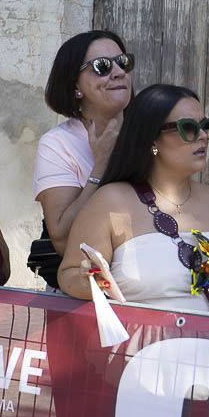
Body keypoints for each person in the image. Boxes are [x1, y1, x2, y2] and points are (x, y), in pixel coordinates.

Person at [60, 84, 209, 313]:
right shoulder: (111, 202)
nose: (202, 136)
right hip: (141, 336)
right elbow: (69, 274)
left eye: (206, 126)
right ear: (152, 138)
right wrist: (91, 280)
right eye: (188, 128)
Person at [34, 30, 133, 254]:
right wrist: (102, 165)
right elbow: (62, 239)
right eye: (102, 66)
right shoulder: (58, 144)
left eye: (123, 63)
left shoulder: (153, 130)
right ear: (75, 86)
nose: (119, 72)